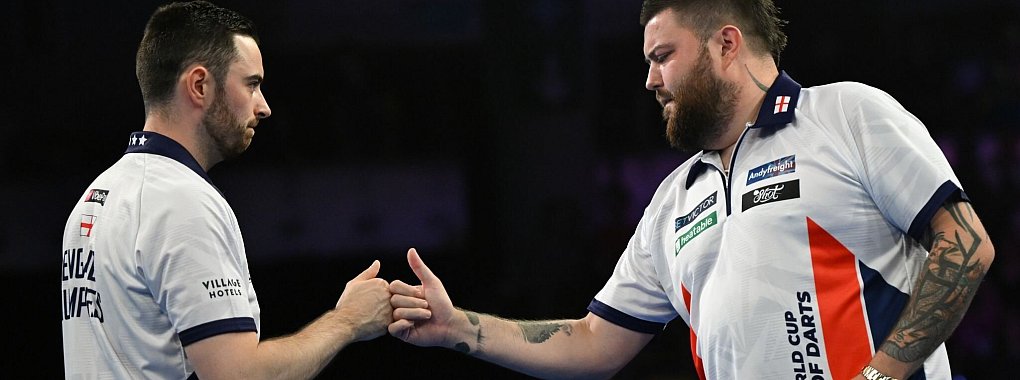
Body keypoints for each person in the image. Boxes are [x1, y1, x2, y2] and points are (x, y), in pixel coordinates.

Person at [387, 1, 995, 379]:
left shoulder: (846, 115)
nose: (649, 79)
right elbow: (594, 342)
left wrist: (881, 379)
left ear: (725, 44)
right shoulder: (672, 202)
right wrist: (460, 328)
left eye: (662, 56)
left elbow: (966, 245)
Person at [60, 2, 392, 378]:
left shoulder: (94, 199)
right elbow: (237, 375)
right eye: (251, 84)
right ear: (199, 85)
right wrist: (348, 320)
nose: (264, 107)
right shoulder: (184, 203)